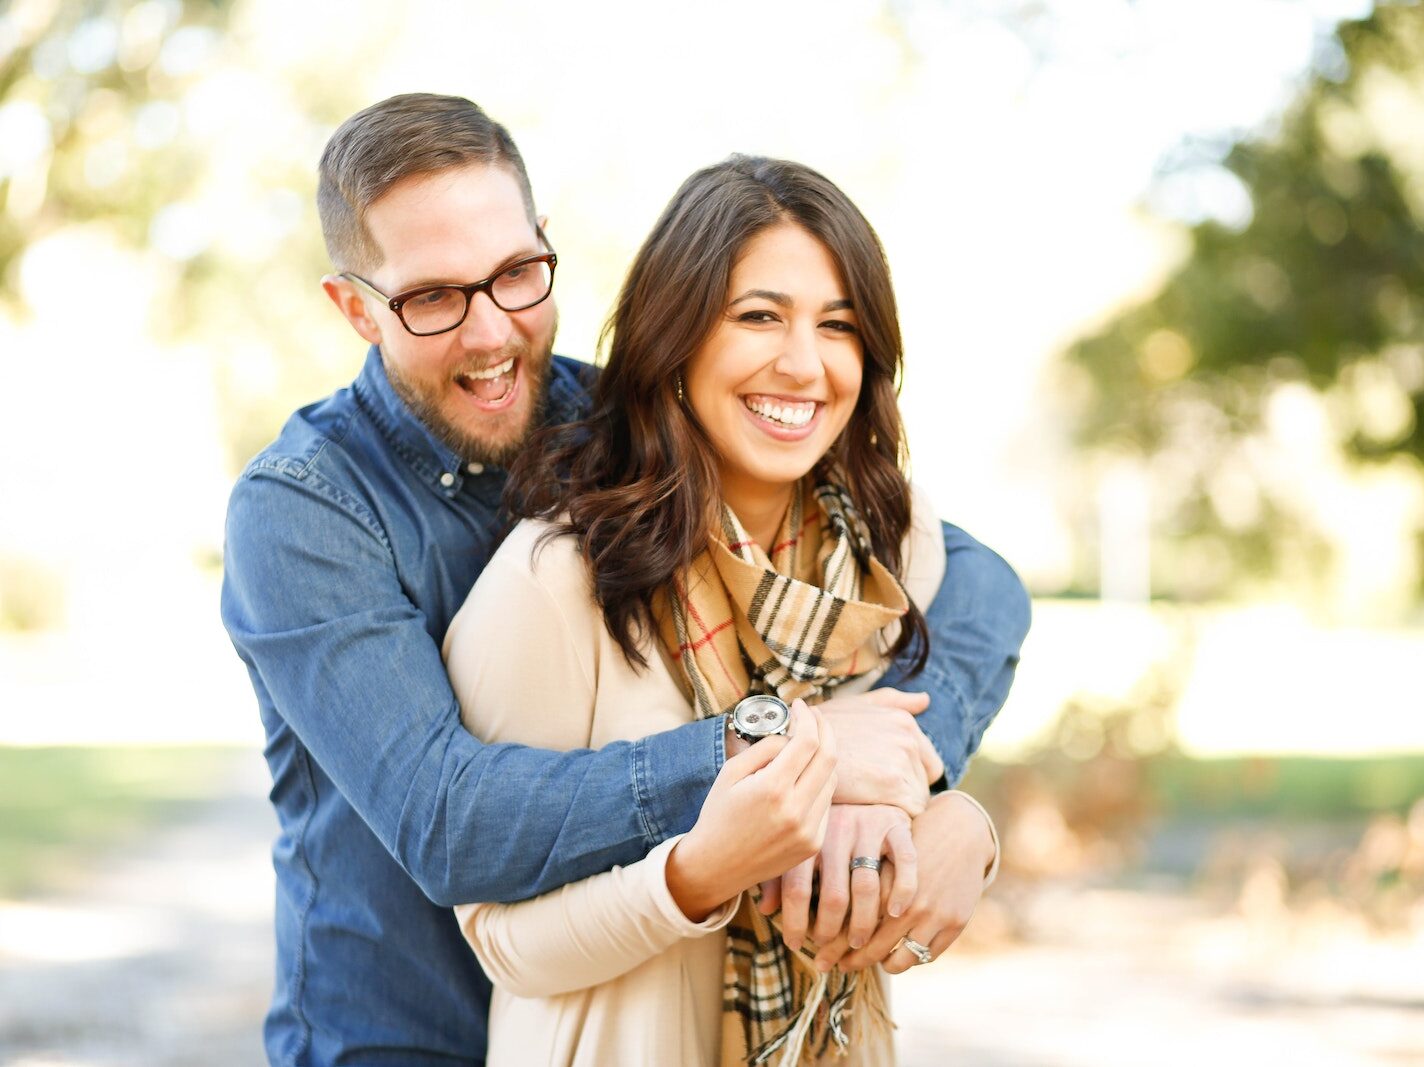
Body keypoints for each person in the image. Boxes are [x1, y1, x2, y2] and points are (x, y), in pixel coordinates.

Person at [220, 93, 1030, 1066]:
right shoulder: (305, 509)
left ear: (543, 247)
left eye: (516, 274)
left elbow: (974, 580)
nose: (489, 333)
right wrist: (776, 750)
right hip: (398, 1036)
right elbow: (449, 818)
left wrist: (910, 782)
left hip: (630, 1014)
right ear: (353, 305)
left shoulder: (624, 422)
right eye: (431, 296)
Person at [442, 155, 1000, 1067]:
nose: (803, 363)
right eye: (758, 317)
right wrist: (702, 870)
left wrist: (962, 827)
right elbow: (500, 936)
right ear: (678, 336)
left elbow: (902, 758)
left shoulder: (887, 549)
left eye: (839, 325)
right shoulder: (559, 580)